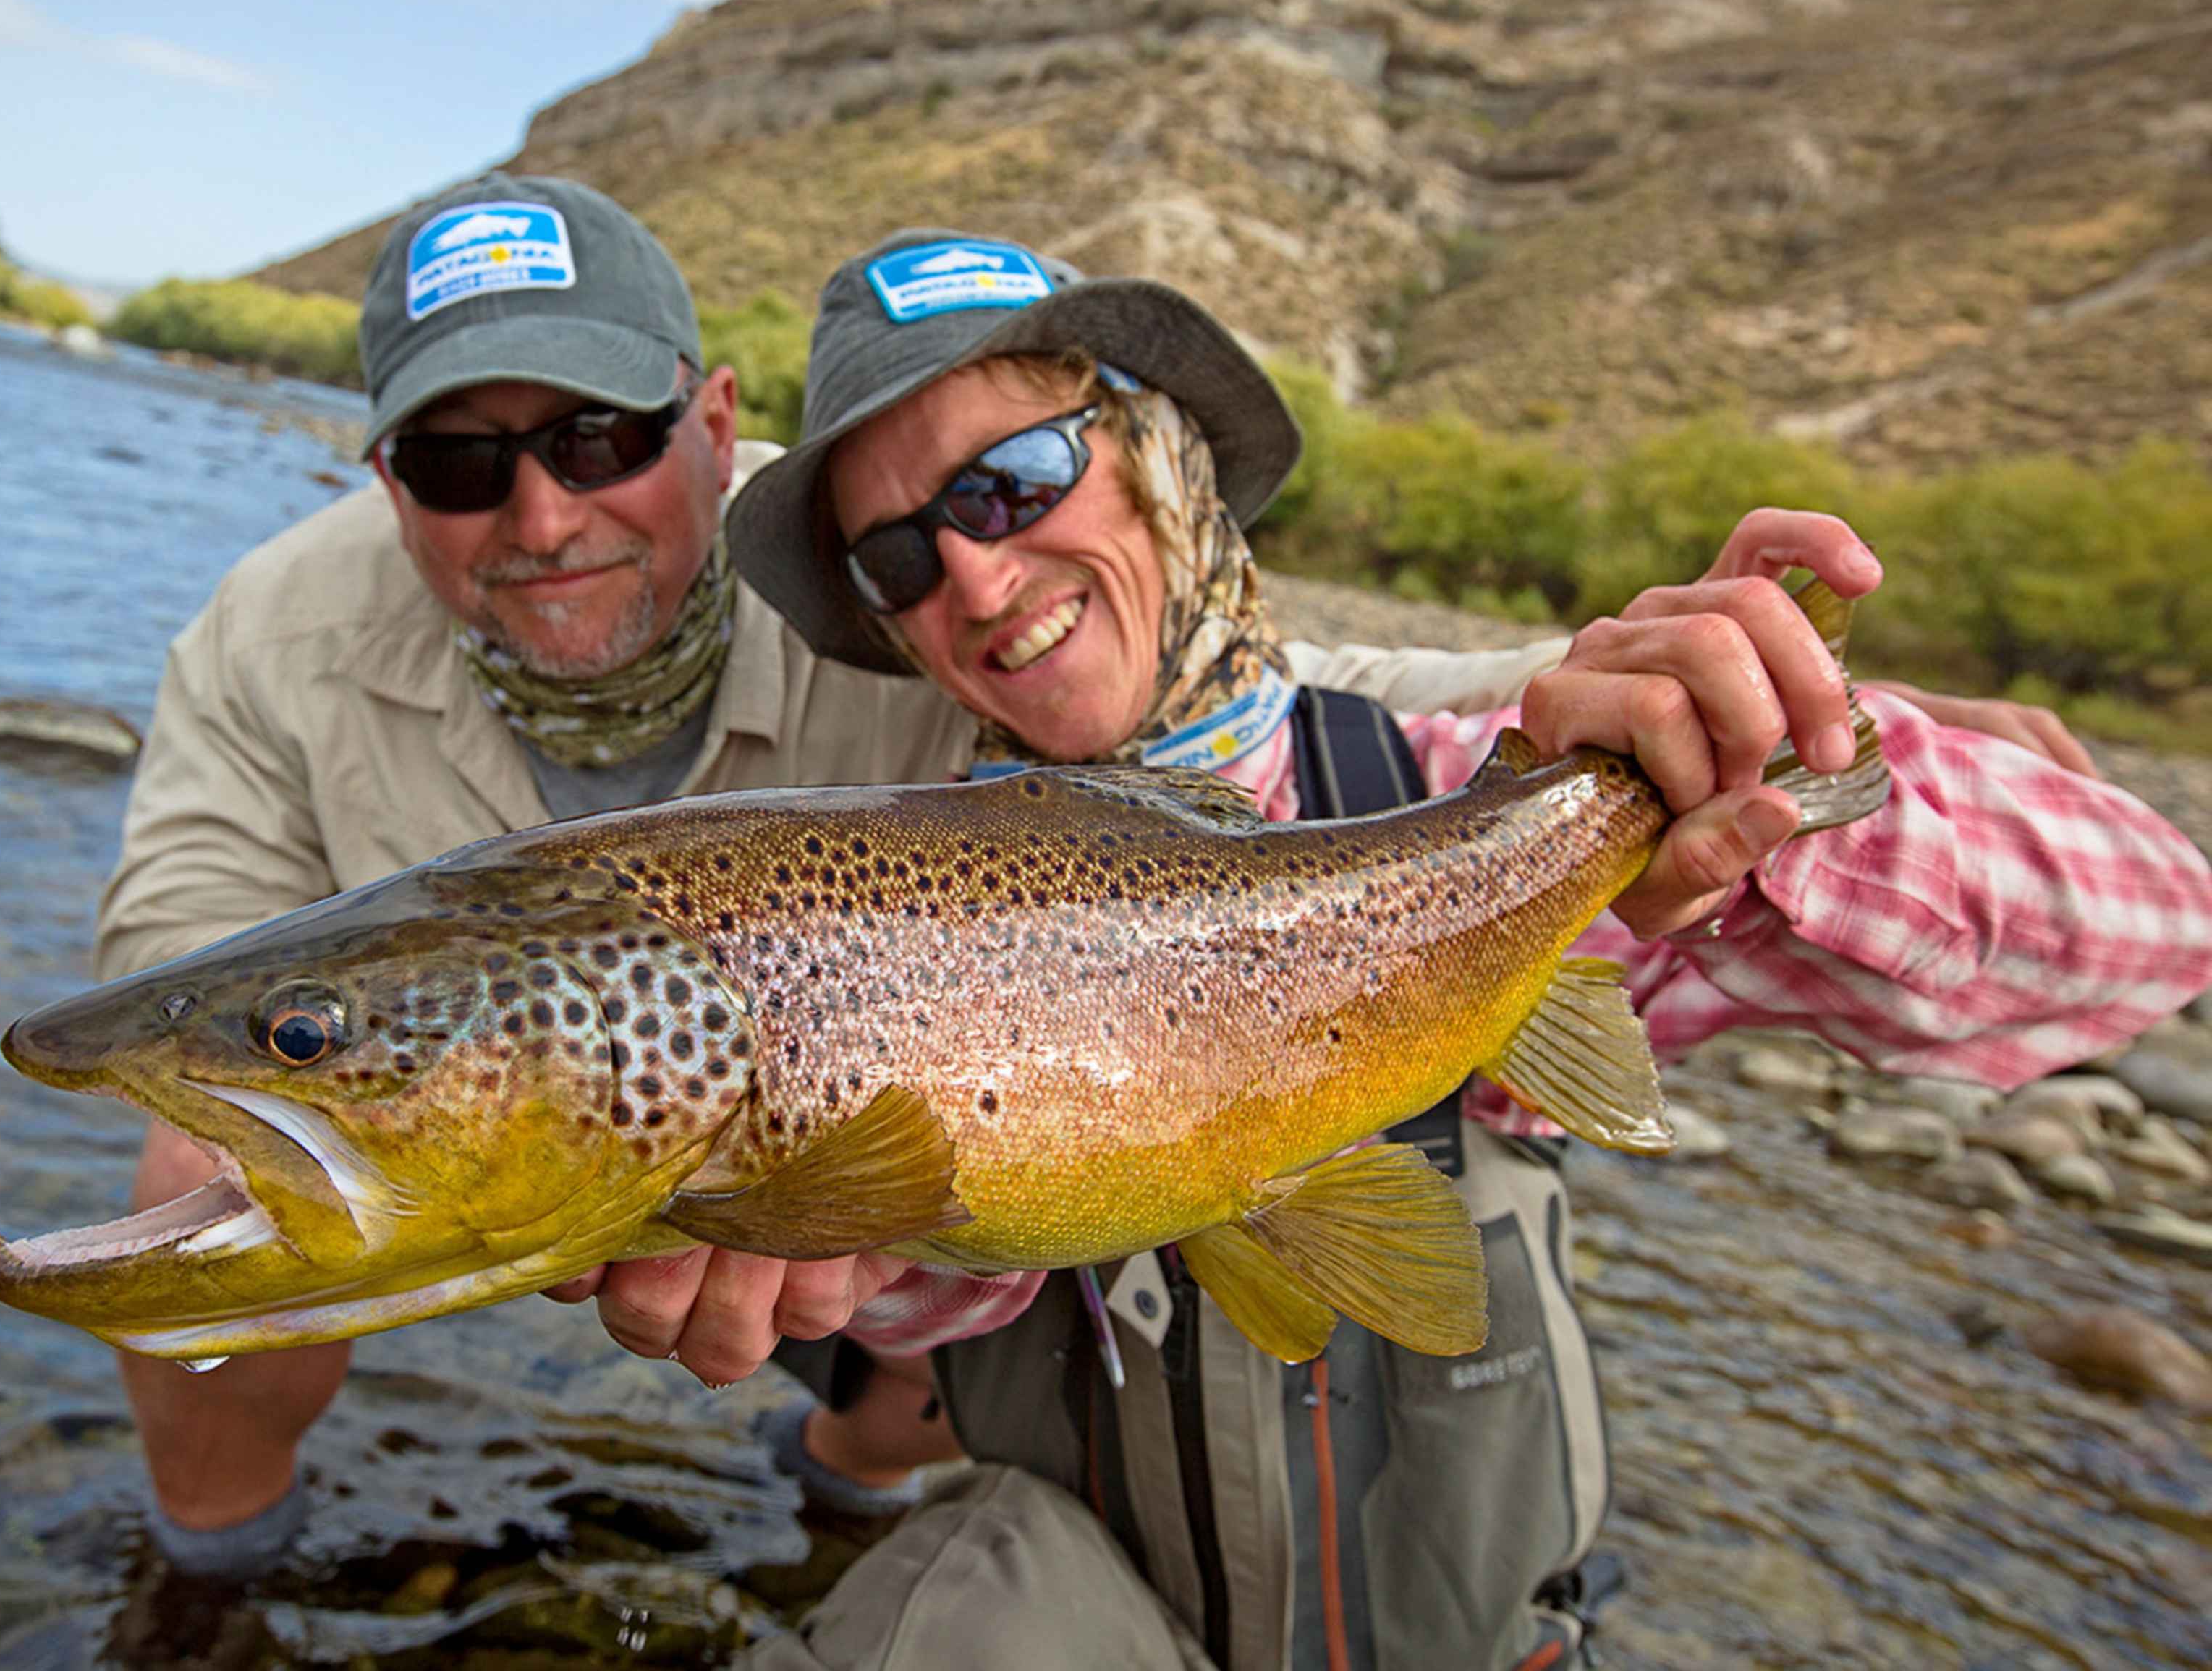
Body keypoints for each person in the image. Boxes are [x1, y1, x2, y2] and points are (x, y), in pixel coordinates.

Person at [546, 229, 2212, 1670]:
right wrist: (775, 1222)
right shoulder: (896, 931)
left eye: (1013, 479)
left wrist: (1763, 783)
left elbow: (2157, 936)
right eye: (900, 553)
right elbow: (922, 1299)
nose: (975, 571)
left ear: (1159, 454)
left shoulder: (1452, 789)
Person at [93, 174, 996, 1583]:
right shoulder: (270, 631)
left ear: (711, 425)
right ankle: (211, 1578)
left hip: (845, 1127)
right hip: (441, 1113)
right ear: (390, 485)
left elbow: (1220, 698)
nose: (544, 516)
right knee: (191, 1160)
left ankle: (848, 1488)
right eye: (461, 465)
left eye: (601, 438)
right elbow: (179, 945)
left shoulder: (898, 551)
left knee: (1035, 1193)